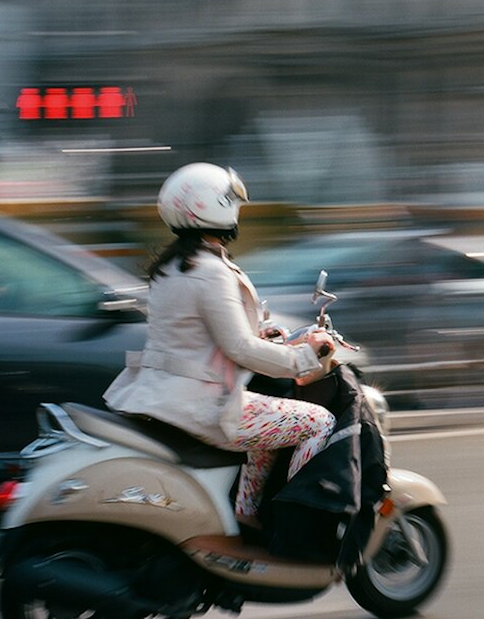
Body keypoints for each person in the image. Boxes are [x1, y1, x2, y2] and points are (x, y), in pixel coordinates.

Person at [104, 162, 337, 532]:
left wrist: (275, 339)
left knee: (271, 424)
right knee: (317, 421)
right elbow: (239, 349)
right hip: (203, 404)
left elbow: (201, 335)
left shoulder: (175, 267)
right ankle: (300, 520)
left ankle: (245, 513)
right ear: (215, 207)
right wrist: (303, 357)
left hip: (163, 394)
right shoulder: (211, 272)